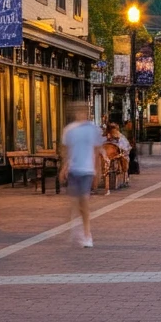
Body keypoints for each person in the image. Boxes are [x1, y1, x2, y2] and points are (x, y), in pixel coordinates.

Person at [60, 102, 104, 247]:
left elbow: (97, 151)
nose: (80, 113)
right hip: (73, 169)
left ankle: (87, 234)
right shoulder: (69, 130)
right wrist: (64, 167)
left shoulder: (93, 129)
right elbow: (66, 150)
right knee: (74, 202)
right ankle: (76, 228)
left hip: (87, 170)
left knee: (84, 201)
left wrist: (97, 171)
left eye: (83, 111)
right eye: (78, 111)